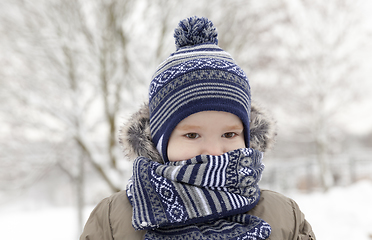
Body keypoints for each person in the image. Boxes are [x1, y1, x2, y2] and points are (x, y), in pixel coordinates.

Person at [80, 16, 316, 240]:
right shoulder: (114, 219)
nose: (213, 150)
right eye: (192, 135)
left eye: (229, 134)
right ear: (160, 142)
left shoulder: (283, 215)